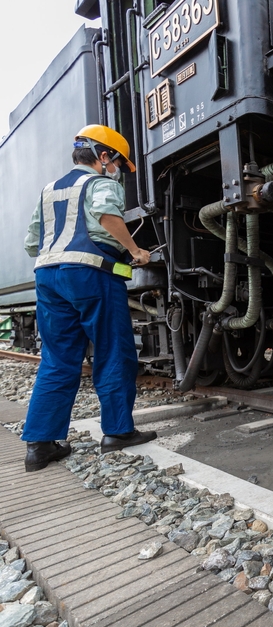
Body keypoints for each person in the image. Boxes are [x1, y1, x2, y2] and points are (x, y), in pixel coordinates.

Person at [21, 124, 157, 472]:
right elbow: (107, 217)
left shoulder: (49, 190)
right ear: (104, 155)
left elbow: (32, 243)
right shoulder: (100, 184)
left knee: (57, 358)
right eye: (117, 163)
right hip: (91, 274)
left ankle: (40, 446)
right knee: (113, 350)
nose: (117, 170)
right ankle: (118, 432)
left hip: (48, 276)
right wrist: (135, 251)